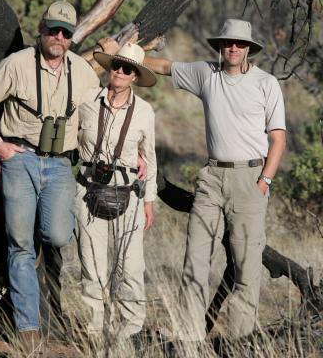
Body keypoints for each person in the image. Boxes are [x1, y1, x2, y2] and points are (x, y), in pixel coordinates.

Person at [0, 0, 102, 347]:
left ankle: (34, 296)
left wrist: (139, 152)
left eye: (66, 32)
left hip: (60, 165)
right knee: (20, 243)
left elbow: (100, 116)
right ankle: (27, 328)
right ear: (41, 29)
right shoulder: (17, 65)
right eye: (53, 29)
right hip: (20, 160)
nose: (58, 36)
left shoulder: (83, 71)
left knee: (57, 235)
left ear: (71, 38)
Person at [143, 19, 287, 342]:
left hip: (251, 177)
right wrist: (126, 55)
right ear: (220, 46)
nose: (232, 48)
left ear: (249, 48)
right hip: (211, 176)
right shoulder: (207, 73)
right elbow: (164, 67)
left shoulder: (266, 83)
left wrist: (264, 181)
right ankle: (189, 337)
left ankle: (241, 340)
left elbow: (278, 139)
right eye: (227, 43)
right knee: (195, 256)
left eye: (239, 43)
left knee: (246, 265)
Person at [75, 43, 157, 339]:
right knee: (92, 265)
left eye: (128, 69)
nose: (120, 72)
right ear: (109, 68)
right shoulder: (87, 100)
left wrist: (149, 200)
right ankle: (94, 330)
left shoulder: (145, 111)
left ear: (135, 76)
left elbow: (151, 157)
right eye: (116, 66)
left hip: (130, 193)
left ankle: (129, 330)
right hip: (87, 189)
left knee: (130, 266)